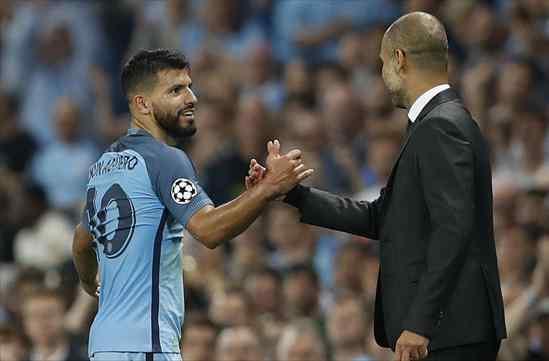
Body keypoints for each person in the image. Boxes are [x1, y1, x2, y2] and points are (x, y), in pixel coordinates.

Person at [248, 11, 506, 361]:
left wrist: (421, 323)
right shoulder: (437, 123)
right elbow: (383, 218)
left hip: (450, 333)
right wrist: (292, 193)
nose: (382, 77)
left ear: (400, 59)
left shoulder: (440, 126)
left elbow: (453, 229)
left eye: (383, 64)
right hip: (449, 332)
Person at [72, 49, 313, 361]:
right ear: (142, 103)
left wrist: (92, 285)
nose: (191, 98)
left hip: (104, 345)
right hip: (147, 345)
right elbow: (208, 230)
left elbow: (80, 244)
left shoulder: (104, 167)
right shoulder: (165, 159)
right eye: (175, 90)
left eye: (189, 86)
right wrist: (269, 188)